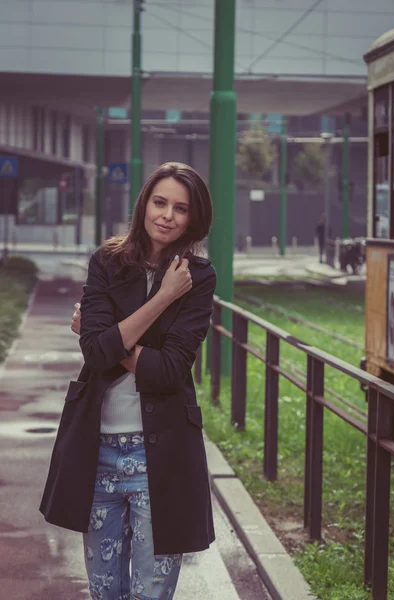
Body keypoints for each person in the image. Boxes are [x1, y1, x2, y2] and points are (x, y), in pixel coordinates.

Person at [40, 162, 217, 600]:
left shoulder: (199, 276)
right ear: (144, 205)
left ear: (192, 218)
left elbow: (169, 369)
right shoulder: (106, 261)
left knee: (151, 593)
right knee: (104, 591)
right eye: (160, 202)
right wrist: (163, 298)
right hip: (97, 449)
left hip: (161, 451)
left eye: (180, 208)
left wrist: (106, 339)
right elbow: (95, 353)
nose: (167, 215)